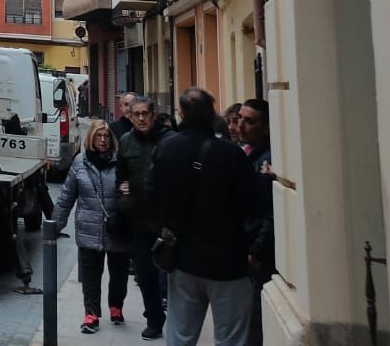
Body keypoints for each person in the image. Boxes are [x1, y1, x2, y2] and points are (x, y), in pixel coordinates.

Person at [150, 88, 257, 346]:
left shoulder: (166, 148)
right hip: (228, 262)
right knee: (231, 338)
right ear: (212, 115)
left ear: (182, 114)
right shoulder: (232, 155)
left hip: (184, 259)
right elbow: (255, 204)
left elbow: (151, 195)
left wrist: (169, 225)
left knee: (180, 336)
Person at [54, 120, 133, 334]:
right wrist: (54, 225)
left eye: (106, 136)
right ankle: (91, 313)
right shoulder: (80, 162)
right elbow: (66, 198)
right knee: (91, 276)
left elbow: (133, 192)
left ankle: (116, 306)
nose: (103, 140)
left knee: (119, 274)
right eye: (98, 136)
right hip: (88, 229)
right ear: (91, 138)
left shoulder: (121, 163)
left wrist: (128, 190)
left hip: (117, 228)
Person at [117, 95, 171, 340]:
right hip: (139, 221)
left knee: (172, 275)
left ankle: (178, 317)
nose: (140, 118)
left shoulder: (169, 140)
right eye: (135, 114)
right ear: (130, 116)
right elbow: (120, 178)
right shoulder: (126, 142)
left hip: (168, 221)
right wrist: (124, 197)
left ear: (153, 115)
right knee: (145, 276)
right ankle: (154, 320)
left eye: (144, 114)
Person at [238, 99, 276, 346]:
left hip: (260, 253)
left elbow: (270, 211)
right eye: (240, 117)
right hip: (248, 245)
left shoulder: (269, 160)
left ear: (265, 127)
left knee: (255, 320)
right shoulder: (249, 152)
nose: (240, 125)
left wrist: (257, 250)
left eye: (249, 121)